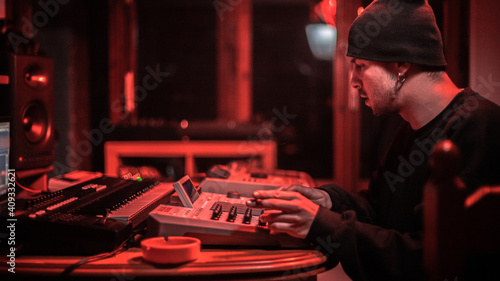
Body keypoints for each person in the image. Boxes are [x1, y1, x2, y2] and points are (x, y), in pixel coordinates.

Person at [246, 0, 500, 280]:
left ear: (402, 64)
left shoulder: (481, 127)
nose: (353, 82)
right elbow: (379, 209)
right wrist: (328, 201)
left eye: (360, 65)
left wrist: (322, 224)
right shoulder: (410, 128)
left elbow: (425, 259)